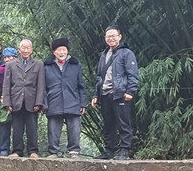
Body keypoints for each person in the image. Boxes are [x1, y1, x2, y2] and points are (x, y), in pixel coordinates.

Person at [91, 25, 139, 159]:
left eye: (113, 36)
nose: (111, 38)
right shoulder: (104, 54)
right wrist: (96, 95)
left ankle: (125, 151)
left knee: (124, 123)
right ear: (105, 38)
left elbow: (133, 74)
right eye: (108, 36)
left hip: (120, 93)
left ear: (119, 37)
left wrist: (130, 91)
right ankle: (108, 151)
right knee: (108, 124)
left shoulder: (126, 53)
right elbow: (99, 77)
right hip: (105, 94)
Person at [2, 38, 46, 158]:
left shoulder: (39, 64)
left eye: (28, 48)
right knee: (17, 128)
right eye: (23, 48)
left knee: (32, 128)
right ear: (19, 49)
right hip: (16, 100)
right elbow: (6, 84)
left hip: (32, 101)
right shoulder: (10, 64)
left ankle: (33, 151)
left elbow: (41, 85)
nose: (26, 50)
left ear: (31, 50)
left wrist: (39, 102)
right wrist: (7, 102)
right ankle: (17, 151)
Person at [44, 38, 86, 157]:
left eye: (64, 49)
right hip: (53, 101)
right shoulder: (46, 66)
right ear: (54, 52)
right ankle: (53, 152)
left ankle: (74, 151)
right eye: (59, 50)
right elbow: (42, 87)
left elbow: (81, 85)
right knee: (53, 129)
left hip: (73, 100)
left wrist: (83, 103)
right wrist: (43, 103)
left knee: (74, 128)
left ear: (68, 51)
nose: (62, 52)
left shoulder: (75, 65)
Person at [0, 47, 17, 156]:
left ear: (15, 58)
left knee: (17, 127)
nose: (7, 60)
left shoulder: (20, 69)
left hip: (17, 101)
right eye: (5, 57)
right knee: (3, 126)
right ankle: (4, 149)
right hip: (3, 102)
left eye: (9, 57)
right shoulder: (1, 70)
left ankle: (17, 150)